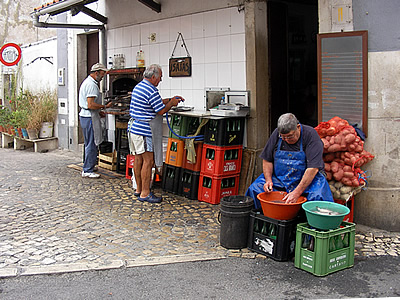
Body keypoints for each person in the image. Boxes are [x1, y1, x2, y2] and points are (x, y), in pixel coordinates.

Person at [246, 113, 333, 209]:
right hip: (279, 179)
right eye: (283, 137)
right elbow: (267, 159)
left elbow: (313, 168)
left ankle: (309, 223)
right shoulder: (277, 134)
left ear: (298, 127)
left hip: (307, 180)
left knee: (317, 196)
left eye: (290, 136)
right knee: (255, 189)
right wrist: (268, 180)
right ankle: (261, 221)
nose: (286, 140)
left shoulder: (310, 135)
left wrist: (297, 192)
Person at [128, 64, 184, 203]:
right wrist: (171, 103)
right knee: (149, 161)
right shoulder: (151, 90)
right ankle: (146, 193)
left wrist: (169, 99)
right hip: (144, 131)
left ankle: (139, 189)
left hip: (134, 129)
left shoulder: (139, 86)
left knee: (138, 159)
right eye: (160, 78)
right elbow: (160, 110)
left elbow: (154, 104)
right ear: (153, 77)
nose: (160, 80)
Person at [79, 63, 113, 179]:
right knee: (92, 143)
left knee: (88, 142)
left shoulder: (88, 82)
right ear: (97, 72)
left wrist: (99, 112)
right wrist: (103, 106)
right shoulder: (92, 85)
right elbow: (90, 104)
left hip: (86, 116)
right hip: (89, 117)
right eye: (103, 73)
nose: (103, 76)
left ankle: (89, 164)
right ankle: (87, 170)